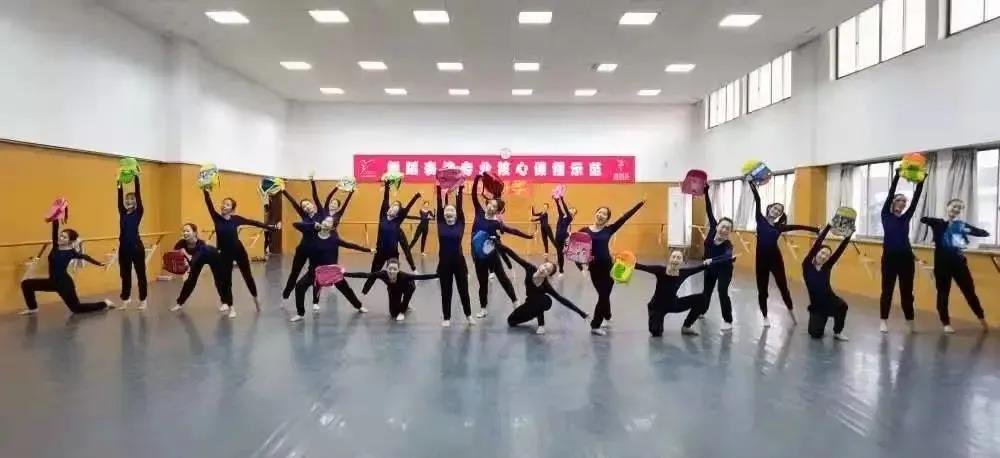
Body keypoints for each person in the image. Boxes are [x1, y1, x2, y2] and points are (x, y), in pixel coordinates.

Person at [749, 181, 819, 327]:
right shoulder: (760, 219)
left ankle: (791, 312)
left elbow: (798, 226)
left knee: (783, 287)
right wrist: (751, 183)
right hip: (761, 260)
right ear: (769, 208)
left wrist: (815, 230)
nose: (776, 211)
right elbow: (757, 199)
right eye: (775, 208)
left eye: (779, 211)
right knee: (762, 290)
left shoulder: (779, 227)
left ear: (779, 215)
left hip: (776, 259)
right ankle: (765, 316)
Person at [203, 189, 278, 318]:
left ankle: (256, 299)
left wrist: (270, 227)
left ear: (232, 209)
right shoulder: (216, 218)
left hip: (238, 250)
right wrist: (205, 191)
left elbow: (253, 222)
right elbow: (209, 204)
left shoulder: (236, 219)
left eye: (227, 204)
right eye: (223, 203)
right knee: (226, 280)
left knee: (247, 275)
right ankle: (231, 307)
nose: (224, 206)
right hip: (224, 253)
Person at [921, 199, 991, 333]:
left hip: (959, 264)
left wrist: (968, 230)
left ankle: (982, 319)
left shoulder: (961, 225)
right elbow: (923, 219)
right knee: (943, 294)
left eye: (959, 208)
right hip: (942, 265)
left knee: (969, 292)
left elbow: (982, 232)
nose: (956, 209)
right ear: (948, 207)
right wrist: (936, 222)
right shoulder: (939, 223)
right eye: (954, 206)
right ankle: (946, 323)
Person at [470, 173, 534, 318]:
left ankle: (515, 302)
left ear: (497, 211)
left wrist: (528, 236)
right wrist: (477, 179)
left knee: (503, 278)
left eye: (495, 206)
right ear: (487, 204)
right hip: (478, 256)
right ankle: (483, 308)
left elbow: (513, 230)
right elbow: (474, 195)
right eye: (491, 204)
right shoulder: (479, 212)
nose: (491, 207)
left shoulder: (496, 223)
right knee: (482, 283)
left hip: (491, 255)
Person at [578, 199, 645, 335]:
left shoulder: (609, 229)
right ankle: (604, 319)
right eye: (599, 212)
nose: (601, 215)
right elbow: (576, 250)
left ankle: (598, 322)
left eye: (604, 214)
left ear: (607, 219)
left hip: (608, 268)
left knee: (604, 294)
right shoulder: (584, 231)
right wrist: (582, 267)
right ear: (595, 213)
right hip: (594, 269)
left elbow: (624, 218)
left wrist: (639, 204)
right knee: (603, 295)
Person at [20, 219, 113, 315]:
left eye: (64, 237)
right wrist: (56, 217)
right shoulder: (55, 247)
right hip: (52, 282)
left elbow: (85, 257)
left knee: (77, 308)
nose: (61, 238)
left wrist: (99, 263)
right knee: (26, 284)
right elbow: (54, 230)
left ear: (70, 241)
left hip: (64, 284)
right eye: (61, 235)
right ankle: (33, 308)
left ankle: (105, 304)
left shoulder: (71, 252)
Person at [289, 215, 371, 322]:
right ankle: (300, 313)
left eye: (329, 222)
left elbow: (351, 245)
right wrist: (313, 225)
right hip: (314, 272)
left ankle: (359, 306)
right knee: (299, 287)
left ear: (332, 227)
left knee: (347, 290)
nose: (326, 222)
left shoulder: (334, 240)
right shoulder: (312, 236)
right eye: (325, 220)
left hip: (332, 273)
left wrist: (368, 250)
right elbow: (295, 224)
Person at [637, 250, 734, 337]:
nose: (675, 259)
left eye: (678, 258)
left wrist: (727, 260)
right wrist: (629, 260)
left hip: (673, 304)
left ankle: (686, 326)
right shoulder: (660, 270)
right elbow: (641, 267)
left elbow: (704, 267)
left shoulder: (683, 273)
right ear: (669, 259)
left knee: (701, 298)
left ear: (682, 261)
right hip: (657, 306)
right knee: (656, 333)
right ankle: (655, 321)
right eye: (673, 257)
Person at [498, 243, 588, 335]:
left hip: (541, 303)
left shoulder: (545, 285)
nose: (543, 269)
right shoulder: (530, 268)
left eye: (547, 270)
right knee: (511, 321)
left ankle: (541, 325)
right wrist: (500, 246)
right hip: (529, 305)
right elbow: (515, 256)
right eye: (545, 266)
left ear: (548, 275)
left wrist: (582, 313)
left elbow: (561, 299)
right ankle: (534, 314)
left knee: (542, 299)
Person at [880, 168, 925, 333]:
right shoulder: (886, 215)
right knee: (887, 290)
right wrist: (897, 176)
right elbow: (890, 193)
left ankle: (910, 321)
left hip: (906, 259)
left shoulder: (906, 217)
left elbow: (916, 201)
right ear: (893, 202)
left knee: (907, 292)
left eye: (904, 201)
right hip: (889, 259)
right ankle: (883, 321)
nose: (902, 203)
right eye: (899, 200)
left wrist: (921, 182)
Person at [688, 184, 736, 332]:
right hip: (710, 269)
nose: (724, 229)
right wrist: (707, 192)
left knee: (722, 292)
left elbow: (726, 256)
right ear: (717, 226)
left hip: (724, 271)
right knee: (706, 291)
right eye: (723, 226)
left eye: (728, 228)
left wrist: (712, 260)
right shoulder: (712, 229)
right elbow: (709, 209)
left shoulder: (728, 245)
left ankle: (728, 320)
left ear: (730, 231)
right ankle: (702, 311)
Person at [361, 185, 421, 295]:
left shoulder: (397, 221)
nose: (393, 208)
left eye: (396, 209)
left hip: (393, 254)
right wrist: (387, 185)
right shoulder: (382, 217)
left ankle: (396, 293)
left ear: (397, 214)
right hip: (380, 252)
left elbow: (406, 209)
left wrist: (416, 196)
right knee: (373, 273)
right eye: (392, 206)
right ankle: (364, 292)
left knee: (394, 276)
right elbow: (385, 200)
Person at [279, 178, 328, 305]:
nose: (306, 207)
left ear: (313, 204)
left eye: (308, 204)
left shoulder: (321, 213)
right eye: (304, 206)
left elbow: (315, 196)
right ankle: (286, 293)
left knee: (316, 274)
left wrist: (312, 181)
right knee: (295, 271)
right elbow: (294, 203)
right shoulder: (304, 217)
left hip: (316, 250)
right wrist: (284, 191)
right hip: (303, 248)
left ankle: (315, 301)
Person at [803, 224, 853, 341]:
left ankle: (837, 332)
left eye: (827, 255)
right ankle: (823, 317)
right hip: (817, 306)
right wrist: (828, 227)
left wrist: (848, 236)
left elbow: (839, 251)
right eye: (822, 253)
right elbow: (817, 244)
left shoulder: (827, 267)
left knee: (843, 306)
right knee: (815, 334)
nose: (824, 256)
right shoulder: (807, 265)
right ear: (817, 252)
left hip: (830, 299)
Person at [346, 258, 438, 321]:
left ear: (398, 270)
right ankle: (402, 306)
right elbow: (365, 275)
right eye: (390, 268)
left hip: (408, 287)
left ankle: (403, 311)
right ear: (386, 268)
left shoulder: (404, 276)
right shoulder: (383, 274)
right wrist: (346, 274)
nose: (392, 271)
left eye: (395, 269)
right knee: (393, 314)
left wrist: (438, 275)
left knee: (406, 298)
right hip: (394, 288)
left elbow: (421, 277)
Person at [435, 184, 474, 327]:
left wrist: (460, 191)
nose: (449, 211)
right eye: (447, 210)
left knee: (463, 290)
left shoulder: (460, 224)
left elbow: (460, 206)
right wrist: (439, 188)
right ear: (443, 213)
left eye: (452, 210)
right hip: (444, 264)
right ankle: (446, 317)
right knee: (446, 291)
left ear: (456, 214)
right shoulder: (440, 223)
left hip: (459, 263)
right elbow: (439, 204)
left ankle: (468, 315)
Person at [170, 223, 228, 312]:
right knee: (190, 281)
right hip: (197, 260)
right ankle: (179, 303)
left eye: (188, 231)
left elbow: (194, 259)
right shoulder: (181, 243)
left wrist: (185, 253)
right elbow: (175, 255)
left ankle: (225, 303)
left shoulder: (201, 244)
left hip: (213, 256)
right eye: (184, 231)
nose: (185, 233)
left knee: (218, 280)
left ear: (195, 233)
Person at [116, 175, 147, 309]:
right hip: (123, 248)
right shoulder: (122, 212)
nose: (129, 201)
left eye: (132, 199)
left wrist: (136, 178)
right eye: (127, 199)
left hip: (136, 247)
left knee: (140, 274)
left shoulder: (139, 212)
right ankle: (126, 299)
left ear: (135, 202)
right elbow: (119, 196)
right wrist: (119, 182)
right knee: (125, 274)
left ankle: (143, 299)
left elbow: (138, 194)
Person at [553, 195, 576, 275]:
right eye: (571, 209)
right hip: (556, 237)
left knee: (560, 254)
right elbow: (559, 208)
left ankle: (561, 270)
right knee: (559, 253)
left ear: (573, 214)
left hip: (562, 237)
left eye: (573, 211)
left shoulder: (570, 218)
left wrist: (562, 199)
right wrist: (556, 201)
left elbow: (565, 208)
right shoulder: (561, 215)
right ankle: (559, 262)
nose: (572, 210)